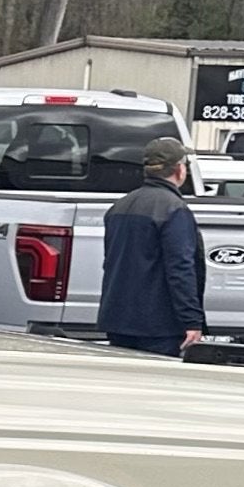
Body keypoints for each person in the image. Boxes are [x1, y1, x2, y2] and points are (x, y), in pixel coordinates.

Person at [98, 133, 205, 355]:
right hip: (159, 327)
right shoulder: (174, 210)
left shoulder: (119, 207)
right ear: (178, 169)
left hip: (117, 320)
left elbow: (110, 262)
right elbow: (180, 268)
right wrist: (192, 321)